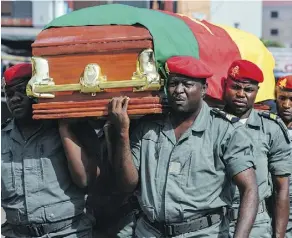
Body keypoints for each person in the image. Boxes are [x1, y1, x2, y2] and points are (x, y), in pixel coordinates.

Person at [108, 56, 259, 237]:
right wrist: (123, 133)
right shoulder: (148, 127)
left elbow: (250, 189)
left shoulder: (225, 131)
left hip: (202, 233)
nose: (178, 90)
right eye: (173, 84)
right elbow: (127, 185)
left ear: (204, 89)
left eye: (187, 84)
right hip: (149, 231)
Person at [1, 63, 94, 237]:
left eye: (22, 90)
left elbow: (86, 180)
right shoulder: (3, 138)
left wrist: (63, 127)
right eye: (10, 94)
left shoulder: (68, 128)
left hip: (67, 232)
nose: (14, 99)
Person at [223, 60, 291, 238]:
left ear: (256, 92)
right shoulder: (210, 123)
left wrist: (279, 236)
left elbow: (281, 189)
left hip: (256, 225)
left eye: (248, 90)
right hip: (214, 223)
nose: (240, 94)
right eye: (235, 87)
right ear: (224, 85)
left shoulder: (270, 128)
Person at [59, 118, 140, 237]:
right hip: (85, 219)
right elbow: (84, 180)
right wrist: (64, 127)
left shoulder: (133, 124)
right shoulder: (76, 127)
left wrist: (121, 130)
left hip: (124, 219)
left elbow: (128, 183)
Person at [275, 75, 292, 238]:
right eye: (282, 98)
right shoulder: (267, 128)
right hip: (275, 208)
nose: (286, 105)